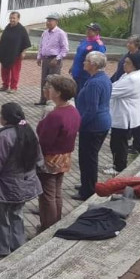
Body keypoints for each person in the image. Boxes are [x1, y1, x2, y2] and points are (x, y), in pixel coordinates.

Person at [0, 103, 43, 256]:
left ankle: (0, 248)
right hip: (25, 184)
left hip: (6, 186)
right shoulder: (29, 131)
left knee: (0, 216)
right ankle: (18, 245)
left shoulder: (4, 137)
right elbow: (39, 159)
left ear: (5, 118)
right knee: (17, 214)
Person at [36, 76, 81, 231]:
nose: (49, 90)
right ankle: (56, 221)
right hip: (65, 156)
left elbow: (44, 138)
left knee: (47, 194)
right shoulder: (73, 110)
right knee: (56, 191)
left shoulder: (56, 115)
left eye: (52, 89)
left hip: (51, 157)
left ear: (59, 93)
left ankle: (47, 227)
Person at [73, 51, 112, 201]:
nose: (83, 63)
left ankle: (88, 190)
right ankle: (86, 184)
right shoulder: (102, 78)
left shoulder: (95, 83)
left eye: (86, 61)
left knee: (88, 158)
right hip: (100, 123)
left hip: (93, 126)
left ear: (94, 65)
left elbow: (92, 109)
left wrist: (79, 125)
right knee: (89, 157)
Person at [104, 52, 140, 175]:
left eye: (127, 63)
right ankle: (117, 163)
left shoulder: (132, 79)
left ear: (135, 65)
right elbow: (114, 85)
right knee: (116, 142)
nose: (124, 65)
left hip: (125, 117)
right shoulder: (128, 75)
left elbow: (111, 91)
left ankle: (119, 167)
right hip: (122, 114)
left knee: (119, 143)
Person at [35, 13, 69, 105]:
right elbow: (41, 46)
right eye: (47, 20)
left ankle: (52, 101)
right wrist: (39, 57)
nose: (48, 22)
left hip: (55, 60)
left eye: (50, 20)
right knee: (44, 80)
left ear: (56, 22)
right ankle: (43, 99)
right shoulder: (45, 33)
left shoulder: (61, 33)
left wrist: (57, 58)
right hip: (45, 59)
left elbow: (65, 49)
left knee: (53, 81)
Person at [0, 11, 31, 93]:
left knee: (15, 71)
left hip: (16, 54)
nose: (12, 20)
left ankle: (13, 87)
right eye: (11, 18)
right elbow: (2, 39)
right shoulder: (8, 27)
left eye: (14, 18)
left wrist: (23, 52)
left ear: (18, 19)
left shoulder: (22, 29)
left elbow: (26, 42)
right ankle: (5, 85)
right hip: (5, 53)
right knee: (4, 70)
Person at [69, 23, 106, 92]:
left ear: (97, 32)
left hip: (86, 74)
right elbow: (78, 54)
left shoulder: (98, 45)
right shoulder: (84, 41)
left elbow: (99, 61)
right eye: (88, 29)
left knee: (83, 92)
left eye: (91, 30)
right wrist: (73, 66)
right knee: (76, 93)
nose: (88, 31)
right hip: (77, 71)